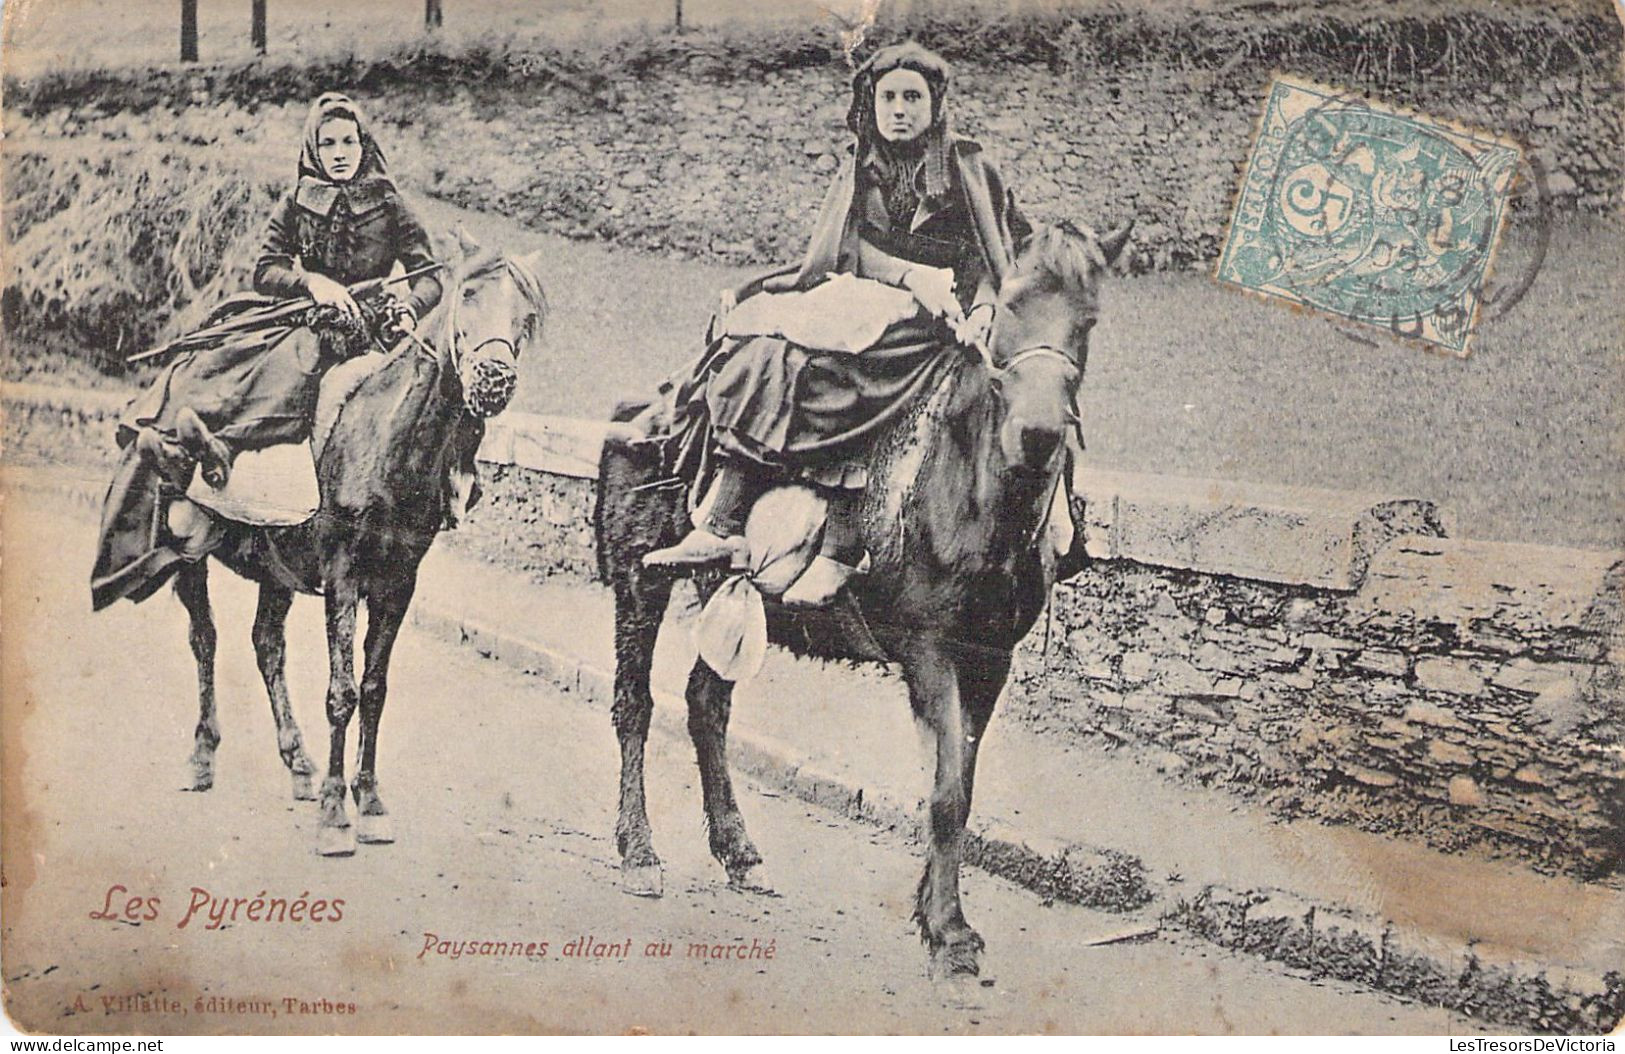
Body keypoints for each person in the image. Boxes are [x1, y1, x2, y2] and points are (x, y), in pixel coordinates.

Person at [644, 42, 1032, 607]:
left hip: (939, 325)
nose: (899, 109)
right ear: (870, 103)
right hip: (865, 299)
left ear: (936, 103)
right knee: (766, 351)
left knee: (853, 373)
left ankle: (841, 548)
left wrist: (982, 308)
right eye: (888, 97)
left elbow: (999, 254)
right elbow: (842, 249)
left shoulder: (972, 171)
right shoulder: (860, 167)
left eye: (912, 98)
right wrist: (907, 277)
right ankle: (722, 522)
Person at [92, 92, 442, 609]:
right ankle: (203, 451)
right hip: (311, 324)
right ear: (313, 148)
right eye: (329, 143)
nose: (340, 152)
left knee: (429, 408)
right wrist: (312, 282)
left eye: (349, 141)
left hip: (374, 332)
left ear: (364, 144)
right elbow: (266, 268)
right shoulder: (297, 200)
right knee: (245, 372)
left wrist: (410, 307)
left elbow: (429, 273)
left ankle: (447, 491)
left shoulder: (390, 203)